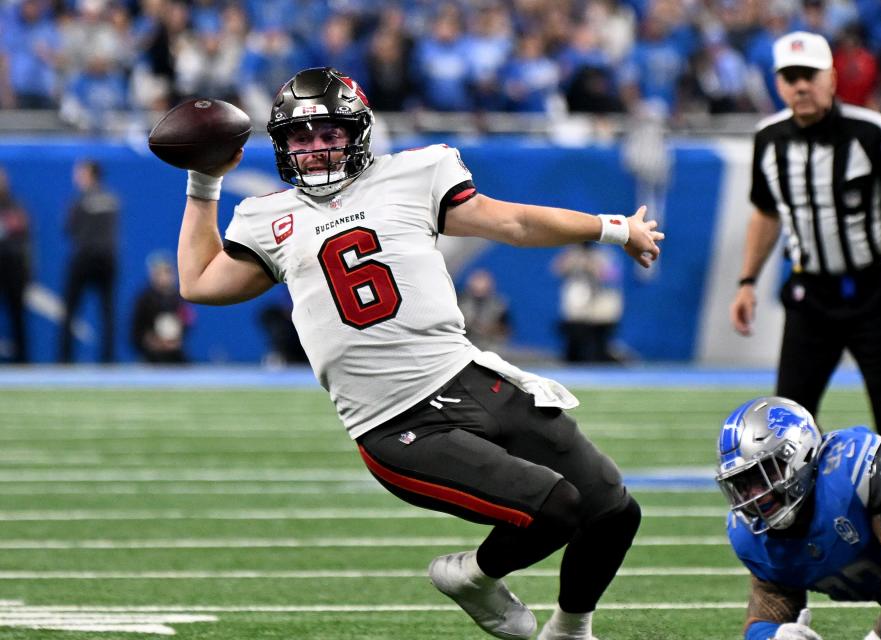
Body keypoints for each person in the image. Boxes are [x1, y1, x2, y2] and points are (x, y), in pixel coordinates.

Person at [174, 67, 663, 640]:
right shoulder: (269, 217)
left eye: (328, 134)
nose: (314, 150)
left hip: (468, 376)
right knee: (555, 508)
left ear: (357, 133)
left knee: (612, 509)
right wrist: (203, 182)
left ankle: (570, 628)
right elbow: (200, 282)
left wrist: (611, 227)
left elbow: (512, 221)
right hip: (395, 422)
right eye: (300, 139)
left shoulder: (412, 175)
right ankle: (472, 578)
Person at [729, 31, 881, 463]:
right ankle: (803, 521)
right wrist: (747, 281)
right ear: (778, 83)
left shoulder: (871, 131)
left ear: (832, 78)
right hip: (811, 294)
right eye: (790, 77)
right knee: (789, 417)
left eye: (810, 75)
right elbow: (766, 213)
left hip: (876, 289)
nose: (801, 86)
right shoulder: (769, 139)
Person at [715, 396, 881, 640]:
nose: (755, 495)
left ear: (800, 454)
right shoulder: (752, 535)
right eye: (742, 483)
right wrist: (775, 635)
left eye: (765, 473)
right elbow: (765, 613)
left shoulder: (854, 474)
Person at [60, 159, 120, 363]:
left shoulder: (79, 201)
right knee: (107, 310)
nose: (76, 177)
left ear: (89, 174)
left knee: (70, 309)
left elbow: (70, 228)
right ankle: (108, 358)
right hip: (107, 258)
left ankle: (65, 359)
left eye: (80, 173)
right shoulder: (112, 199)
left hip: (84, 258)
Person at [552, 242, 624, 363]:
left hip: (599, 312)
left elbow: (613, 276)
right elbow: (557, 269)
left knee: (597, 351)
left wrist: (595, 266)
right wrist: (573, 260)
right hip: (577, 313)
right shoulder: (572, 253)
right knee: (574, 351)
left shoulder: (605, 253)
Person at [131, 251, 191, 364]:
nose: (163, 277)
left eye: (167, 272)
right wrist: (152, 341)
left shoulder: (180, 298)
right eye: (159, 273)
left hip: (175, 354)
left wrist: (177, 340)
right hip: (151, 355)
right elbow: (136, 331)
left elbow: (187, 322)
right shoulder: (144, 300)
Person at [0, 168, 31, 363]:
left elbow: (25, 238)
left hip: (13, 267)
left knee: (17, 314)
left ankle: (22, 359)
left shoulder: (15, 206)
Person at [457, 269, 510, 352]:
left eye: (482, 282)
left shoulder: (498, 305)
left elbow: (505, 329)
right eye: (477, 281)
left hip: (490, 345)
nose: (479, 285)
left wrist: (489, 328)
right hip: (465, 343)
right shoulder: (460, 303)